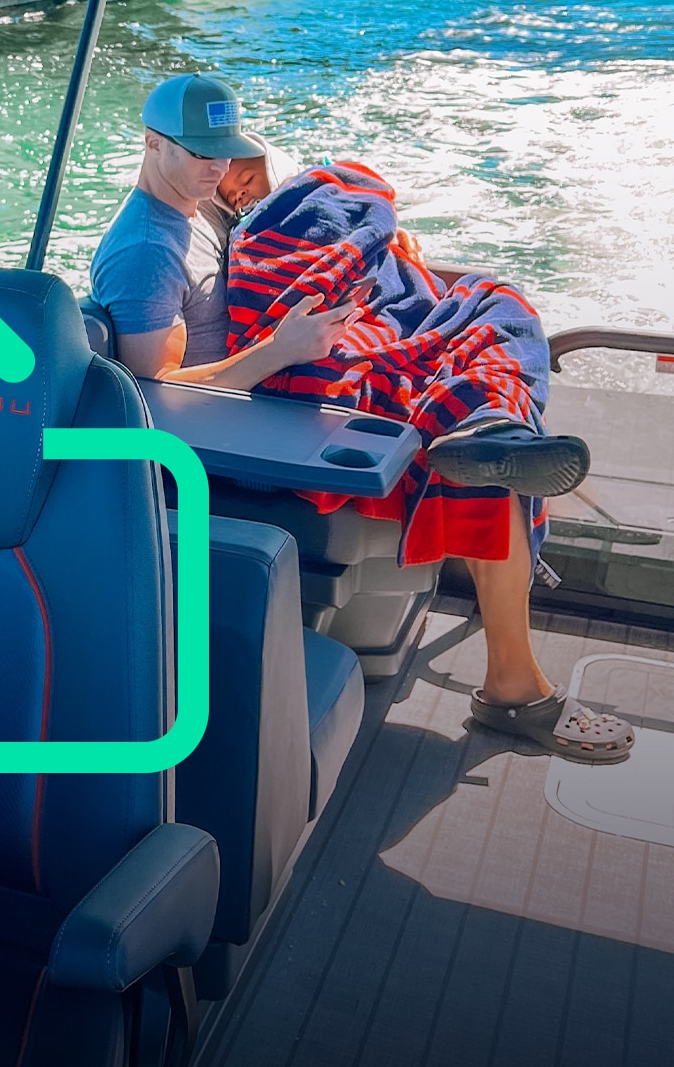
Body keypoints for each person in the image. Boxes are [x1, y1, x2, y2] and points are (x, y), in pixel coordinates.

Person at [91, 74, 634, 765]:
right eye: (199, 154)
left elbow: (295, 226)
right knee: (479, 463)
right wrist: (283, 348)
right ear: (150, 143)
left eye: (223, 153)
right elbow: (151, 400)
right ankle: (513, 687)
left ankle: (489, 425)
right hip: (237, 439)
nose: (215, 168)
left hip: (271, 390)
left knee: (484, 322)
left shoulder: (204, 203)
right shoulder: (146, 251)